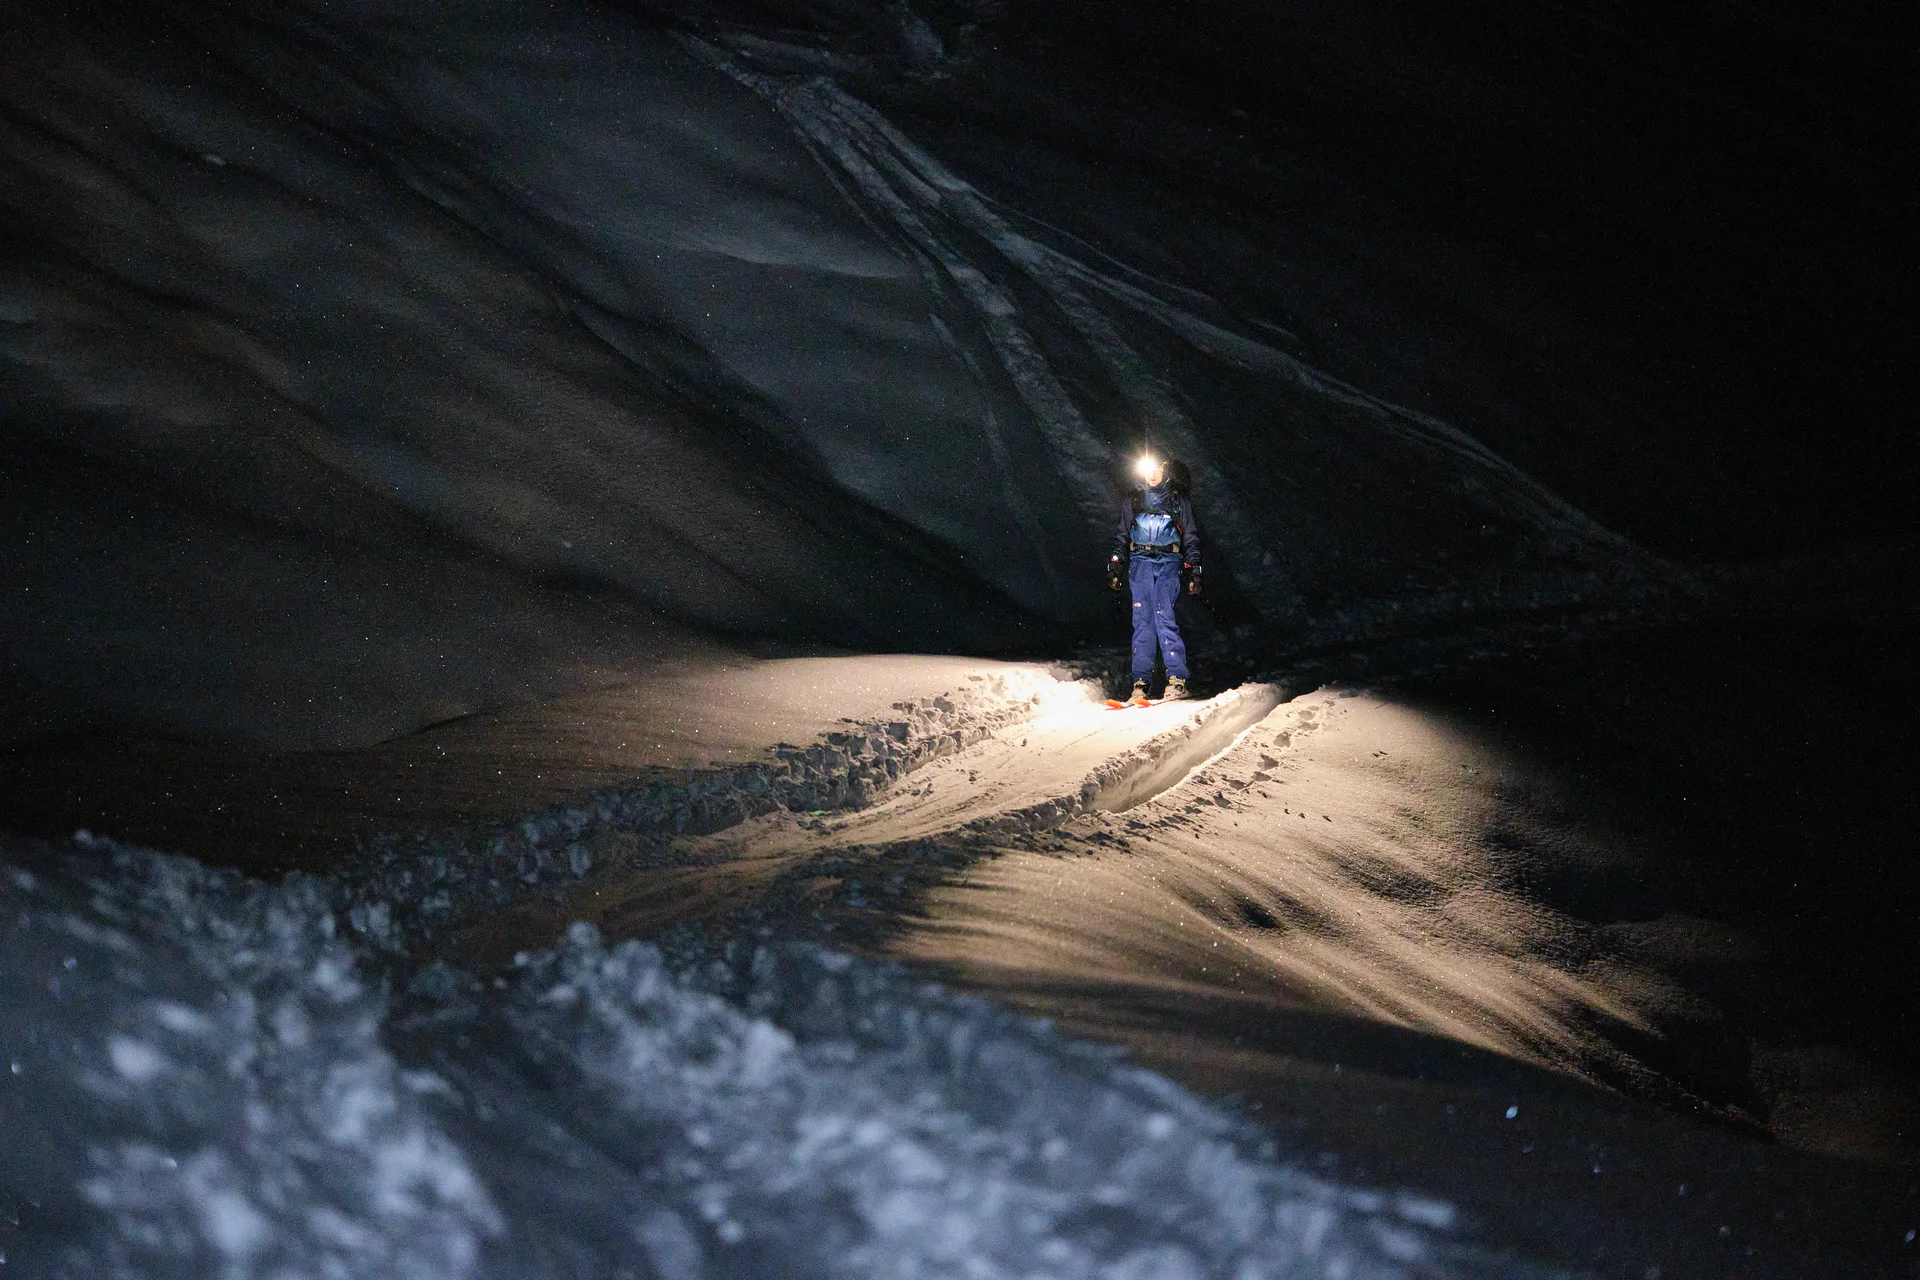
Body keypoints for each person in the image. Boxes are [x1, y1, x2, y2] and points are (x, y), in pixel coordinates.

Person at [1107, 454, 1201, 704]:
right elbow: (1122, 537)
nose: (1152, 474)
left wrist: (1194, 571)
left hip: (1168, 563)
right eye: (1147, 469)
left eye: (1156, 468)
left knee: (1164, 617)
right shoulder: (1134, 500)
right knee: (1142, 621)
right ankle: (1141, 682)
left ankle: (1177, 679)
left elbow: (1190, 537)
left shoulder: (1177, 501)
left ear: (1164, 469)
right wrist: (1116, 567)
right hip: (1139, 563)